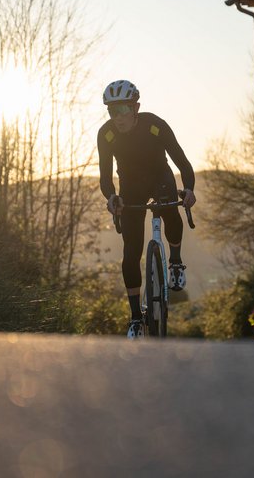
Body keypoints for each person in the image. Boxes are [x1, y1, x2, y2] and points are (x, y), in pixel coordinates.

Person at [97, 79, 196, 339]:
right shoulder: (106, 134)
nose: (117, 117)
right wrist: (111, 197)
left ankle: (175, 262)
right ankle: (135, 318)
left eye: (123, 110)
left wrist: (189, 189)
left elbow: (182, 162)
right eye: (111, 111)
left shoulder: (155, 126)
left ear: (136, 107)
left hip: (159, 178)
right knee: (131, 252)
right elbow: (105, 178)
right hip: (130, 187)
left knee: (170, 212)